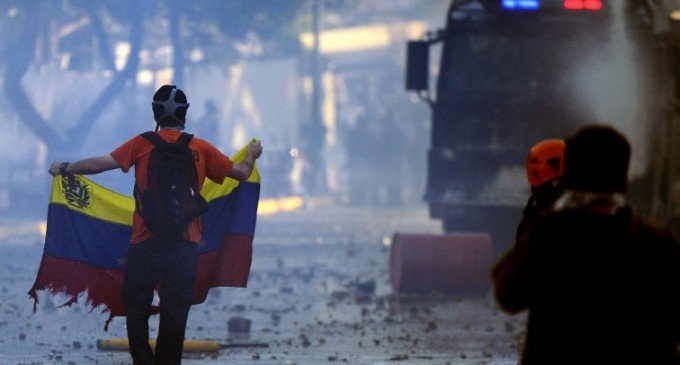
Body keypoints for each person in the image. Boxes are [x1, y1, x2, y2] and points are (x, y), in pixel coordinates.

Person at [48, 85, 263, 365]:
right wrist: (252, 154)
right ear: (185, 114)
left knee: (135, 306)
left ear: (156, 113)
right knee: (175, 313)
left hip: (145, 242)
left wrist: (64, 168)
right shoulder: (200, 147)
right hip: (185, 244)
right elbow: (242, 173)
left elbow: (99, 164)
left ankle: (143, 361)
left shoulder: (141, 143)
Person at [492, 125, 680, 365]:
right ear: (624, 180)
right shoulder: (656, 240)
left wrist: (547, 218)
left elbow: (507, 293)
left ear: (569, 177)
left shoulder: (550, 234)